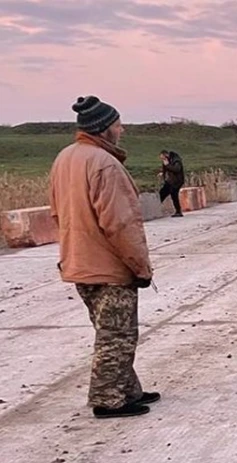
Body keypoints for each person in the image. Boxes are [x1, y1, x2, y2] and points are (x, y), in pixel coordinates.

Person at [49, 95, 159, 418]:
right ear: (102, 129)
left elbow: (56, 213)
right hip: (108, 267)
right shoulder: (105, 164)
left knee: (111, 330)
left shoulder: (65, 159)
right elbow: (121, 224)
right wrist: (140, 267)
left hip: (78, 264)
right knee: (117, 336)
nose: (121, 130)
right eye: (117, 125)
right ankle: (108, 400)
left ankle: (128, 390)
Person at [158, 149, 185, 217]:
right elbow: (166, 169)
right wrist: (162, 173)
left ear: (166, 155)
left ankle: (178, 211)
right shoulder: (167, 161)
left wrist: (167, 165)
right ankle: (156, 208)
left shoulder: (176, 160)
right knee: (162, 193)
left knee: (174, 195)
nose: (162, 159)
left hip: (177, 181)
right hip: (170, 181)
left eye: (163, 158)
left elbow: (176, 169)